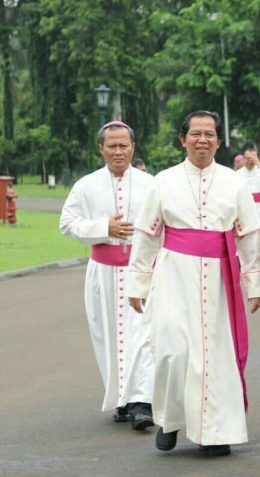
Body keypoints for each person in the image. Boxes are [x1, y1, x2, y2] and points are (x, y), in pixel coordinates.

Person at [125, 110, 260, 457]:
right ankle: (170, 421)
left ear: (219, 141)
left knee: (215, 355)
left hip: (221, 276)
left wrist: (254, 282)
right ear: (182, 138)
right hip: (174, 273)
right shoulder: (165, 180)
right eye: (195, 134)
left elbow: (248, 233)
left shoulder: (235, 182)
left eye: (209, 134)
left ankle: (215, 433)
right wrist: (137, 283)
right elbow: (147, 232)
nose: (202, 140)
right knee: (173, 350)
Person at [60, 121, 155, 430]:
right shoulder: (86, 185)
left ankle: (143, 402)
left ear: (133, 148)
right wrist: (103, 228)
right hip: (103, 273)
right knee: (109, 338)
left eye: (123, 145)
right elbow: (67, 222)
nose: (117, 151)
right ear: (100, 148)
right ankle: (122, 399)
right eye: (111, 145)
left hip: (141, 273)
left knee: (143, 337)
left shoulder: (150, 184)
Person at [236, 143, 260, 225]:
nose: (250, 160)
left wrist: (258, 163)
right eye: (248, 158)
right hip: (245, 207)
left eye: (253, 157)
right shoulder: (238, 173)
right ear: (244, 158)